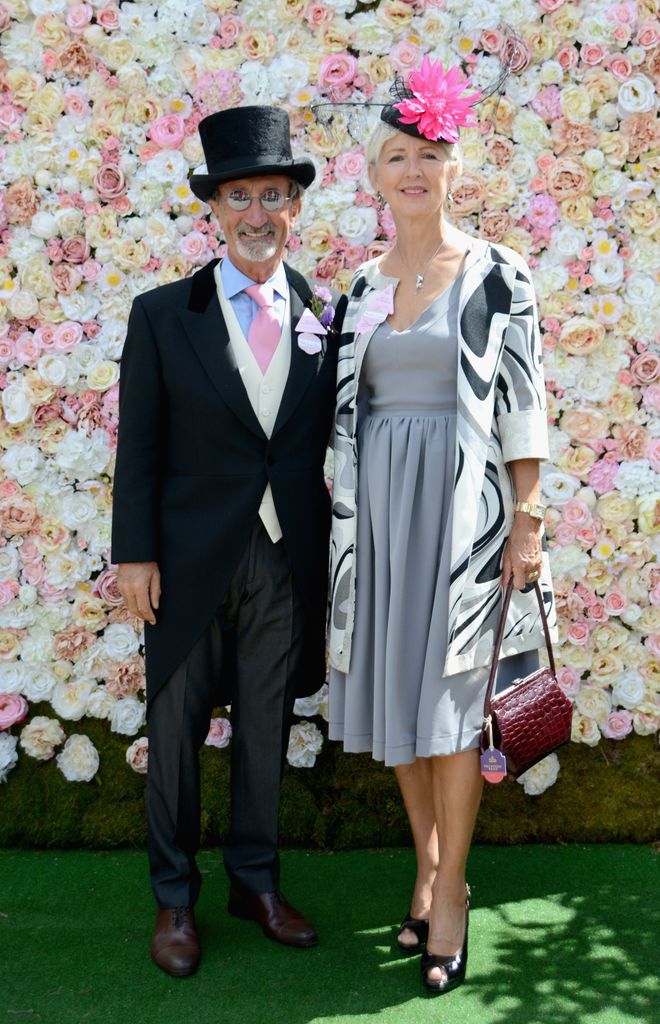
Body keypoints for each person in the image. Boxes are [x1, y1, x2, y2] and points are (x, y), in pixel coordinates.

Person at [328, 58, 555, 995]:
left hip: (464, 519)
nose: (412, 170)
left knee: (456, 712)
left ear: (454, 165)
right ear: (374, 177)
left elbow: (525, 404)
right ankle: (422, 861)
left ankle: (452, 890)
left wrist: (529, 520)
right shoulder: (354, 288)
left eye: (428, 152)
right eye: (395, 156)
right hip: (377, 522)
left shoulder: (500, 273)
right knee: (403, 700)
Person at [112, 106, 345, 977]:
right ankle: (175, 900)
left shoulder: (331, 314)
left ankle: (256, 881)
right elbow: (138, 444)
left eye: (273, 195)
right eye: (239, 195)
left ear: (295, 207)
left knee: (264, 727)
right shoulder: (164, 314)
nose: (257, 213)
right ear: (213, 209)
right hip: (185, 562)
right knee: (174, 733)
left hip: (286, 557)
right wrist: (135, 556)